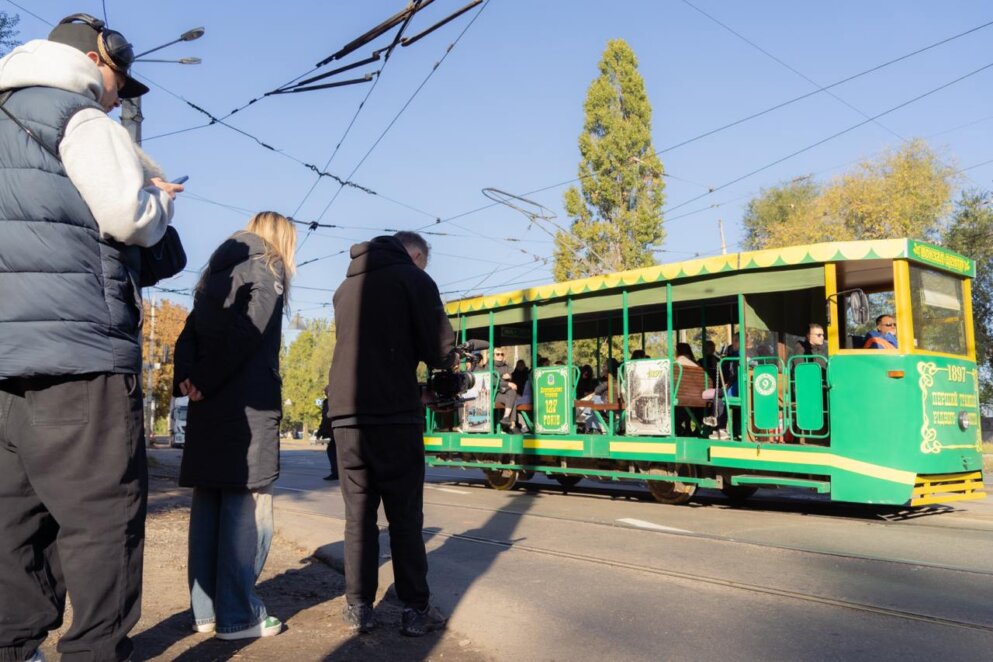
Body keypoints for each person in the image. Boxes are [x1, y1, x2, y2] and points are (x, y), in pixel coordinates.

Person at [0, 15, 184, 662]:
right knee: (102, 528)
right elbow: (128, 217)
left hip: (6, 371)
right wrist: (161, 199)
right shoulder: (79, 120)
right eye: (118, 83)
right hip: (80, 362)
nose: (117, 96)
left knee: (14, 534)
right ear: (96, 59)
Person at [173, 211, 296, 640]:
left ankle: (206, 612)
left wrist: (189, 377)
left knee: (209, 505)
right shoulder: (269, 266)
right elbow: (249, 331)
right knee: (249, 508)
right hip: (249, 407)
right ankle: (239, 616)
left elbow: (187, 332)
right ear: (280, 239)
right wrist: (203, 379)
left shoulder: (215, 273)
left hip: (208, 408)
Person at [328, 231, 456, 637]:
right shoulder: (413, 279)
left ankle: (358, 607)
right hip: (393, 414)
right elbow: (439, 348)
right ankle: (415, 608)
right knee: (403, 517)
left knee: (358, 517)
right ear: (415, 254)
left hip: (347, 414)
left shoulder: (345, 287)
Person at [317, 384, 339, 481]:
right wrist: (320, 430)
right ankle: (336, 472)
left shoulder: (335, 401)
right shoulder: (326, 402)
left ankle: (336, 473)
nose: (325, 394)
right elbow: (324, 418)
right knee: (333, 451)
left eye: (326, 392)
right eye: (325, 392)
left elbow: (328, 417)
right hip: (332, 431)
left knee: (332, 451)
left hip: (336, 429)